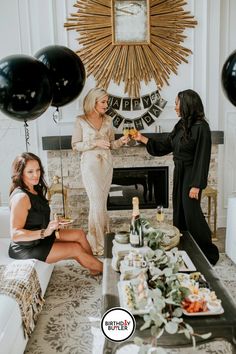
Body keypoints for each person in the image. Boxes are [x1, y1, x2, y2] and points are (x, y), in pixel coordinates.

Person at [133, 89, 219, 265]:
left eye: (177, 103)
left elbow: (203, 158)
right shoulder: (181, 125)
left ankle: (207, 252)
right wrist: (142, 138)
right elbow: (165, 145)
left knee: (192, 214)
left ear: (187, 104)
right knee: (179, 212)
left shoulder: (202, 127)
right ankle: (185, 249)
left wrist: (197, 185)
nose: (175, 107)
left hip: (191, 175)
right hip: (179, 172)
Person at [8, 152, 103, 275]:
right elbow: (15, 234)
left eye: (38, 170)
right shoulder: (21, 197)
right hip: (26, 248)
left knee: (79, 234)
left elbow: (36, 218)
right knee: (75, 248)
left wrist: (54, 224)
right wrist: (45, 232)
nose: (36, 175)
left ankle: (94, 267)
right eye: (30, 172)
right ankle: (113, 272)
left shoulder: (35, 188)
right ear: (20, 174)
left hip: (41, 238)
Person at [71, 87, 129, 255]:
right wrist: (95, 143)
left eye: (107, 102)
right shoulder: (80, 120)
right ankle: (98, 244)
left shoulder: (108, 120)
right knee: (96, 203)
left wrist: (122, 141)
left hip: (106, 165)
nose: (107, 105)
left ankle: (101, 240)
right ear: (93, 102)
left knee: (101, 204)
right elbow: (75, 145)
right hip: (90, 166)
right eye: (103, 102)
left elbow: (111, 144)